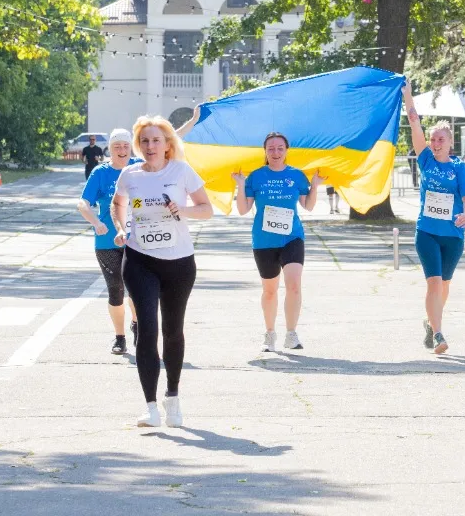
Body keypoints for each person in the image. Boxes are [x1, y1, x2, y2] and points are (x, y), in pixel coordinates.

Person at [111, 116, 212, 428]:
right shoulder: (130, 174)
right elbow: (118, 203)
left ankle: (173, 397)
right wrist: (121, 227)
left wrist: (182, 210)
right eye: (144, 141)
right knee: (147, 330)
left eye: (156, 141)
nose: (149, 146)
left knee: (172, 330)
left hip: (179, 262)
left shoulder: (181, 171)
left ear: (168, 145)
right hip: (140, 259)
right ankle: (150, 407)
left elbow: (206, 209)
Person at [232, 133, 323, 352]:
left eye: (280, 148)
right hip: (264, 241)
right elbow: (244, 210)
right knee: (270, 291)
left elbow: (308, 206)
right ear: (265, 151)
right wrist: (241, 185)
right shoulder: (256, 176)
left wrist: (315, 186)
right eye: (271, 148)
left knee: (293, 286)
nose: (275, 152)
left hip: (292, 237)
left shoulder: (296, 175)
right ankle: (270, 334)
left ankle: (291, 334)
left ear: (286, 150)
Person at [403, 82, 465, 355]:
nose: (435, 143)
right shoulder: (426, 160)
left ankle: (430, 322)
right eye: (432, 139)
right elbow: (413, 122)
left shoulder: (459, 168)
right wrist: (407, 93)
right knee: (433, 283)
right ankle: (438, 334)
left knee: (444, 287)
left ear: (450, 142)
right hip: (427, 232)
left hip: (453, 236)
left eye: (440, 139)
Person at [77, 128, 140, 355]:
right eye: (117, 147)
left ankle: (137, 324)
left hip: (138, 241)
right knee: (116, 290)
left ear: (130, 147)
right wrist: (96, 222)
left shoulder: (140, 166)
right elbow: (83, 203)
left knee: (137, 290)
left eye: (125, 146)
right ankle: (119, 337)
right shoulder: (100, 173)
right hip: (107, 242)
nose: (121, 150)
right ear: (110, 149)